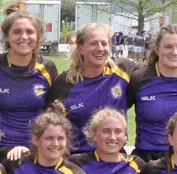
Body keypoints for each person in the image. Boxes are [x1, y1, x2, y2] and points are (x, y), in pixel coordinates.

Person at [0, 5, 58, 161]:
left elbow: (53, 112)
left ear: (38, 37)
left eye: (29, 32)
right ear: (7, 37)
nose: (23, 37)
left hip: (35, 150)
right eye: (17, 32)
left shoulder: (48, 68)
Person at [47, 23, 137, 153]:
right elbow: (50, 123)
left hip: (113, 158)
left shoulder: (122, 69)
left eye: (104, 44)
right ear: (80, 48)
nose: (100, 48)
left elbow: (153, 73)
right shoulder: (64, 83)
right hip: (77, 160)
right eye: (94, 44)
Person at [128, 24, 177, 162]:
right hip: (146, 160)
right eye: (168, 47)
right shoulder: (139, 78)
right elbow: (116, 111)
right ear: (157, 49)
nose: (175, 52)